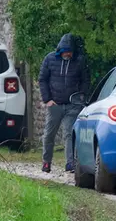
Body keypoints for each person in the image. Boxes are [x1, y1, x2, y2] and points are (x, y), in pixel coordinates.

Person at [38, 33, 89, 173]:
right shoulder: (49, 59)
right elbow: (42, 79)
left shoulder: (79, 61)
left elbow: (85, 80)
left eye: (70, 52)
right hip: (54, 105)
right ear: (61, 50)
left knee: (69, 134)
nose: (68, 54)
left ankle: (70, 163)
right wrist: (47, 100)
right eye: (66, 51)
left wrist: (81, 97)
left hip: (73, 105)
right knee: (49, 134)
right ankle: (46, 162)